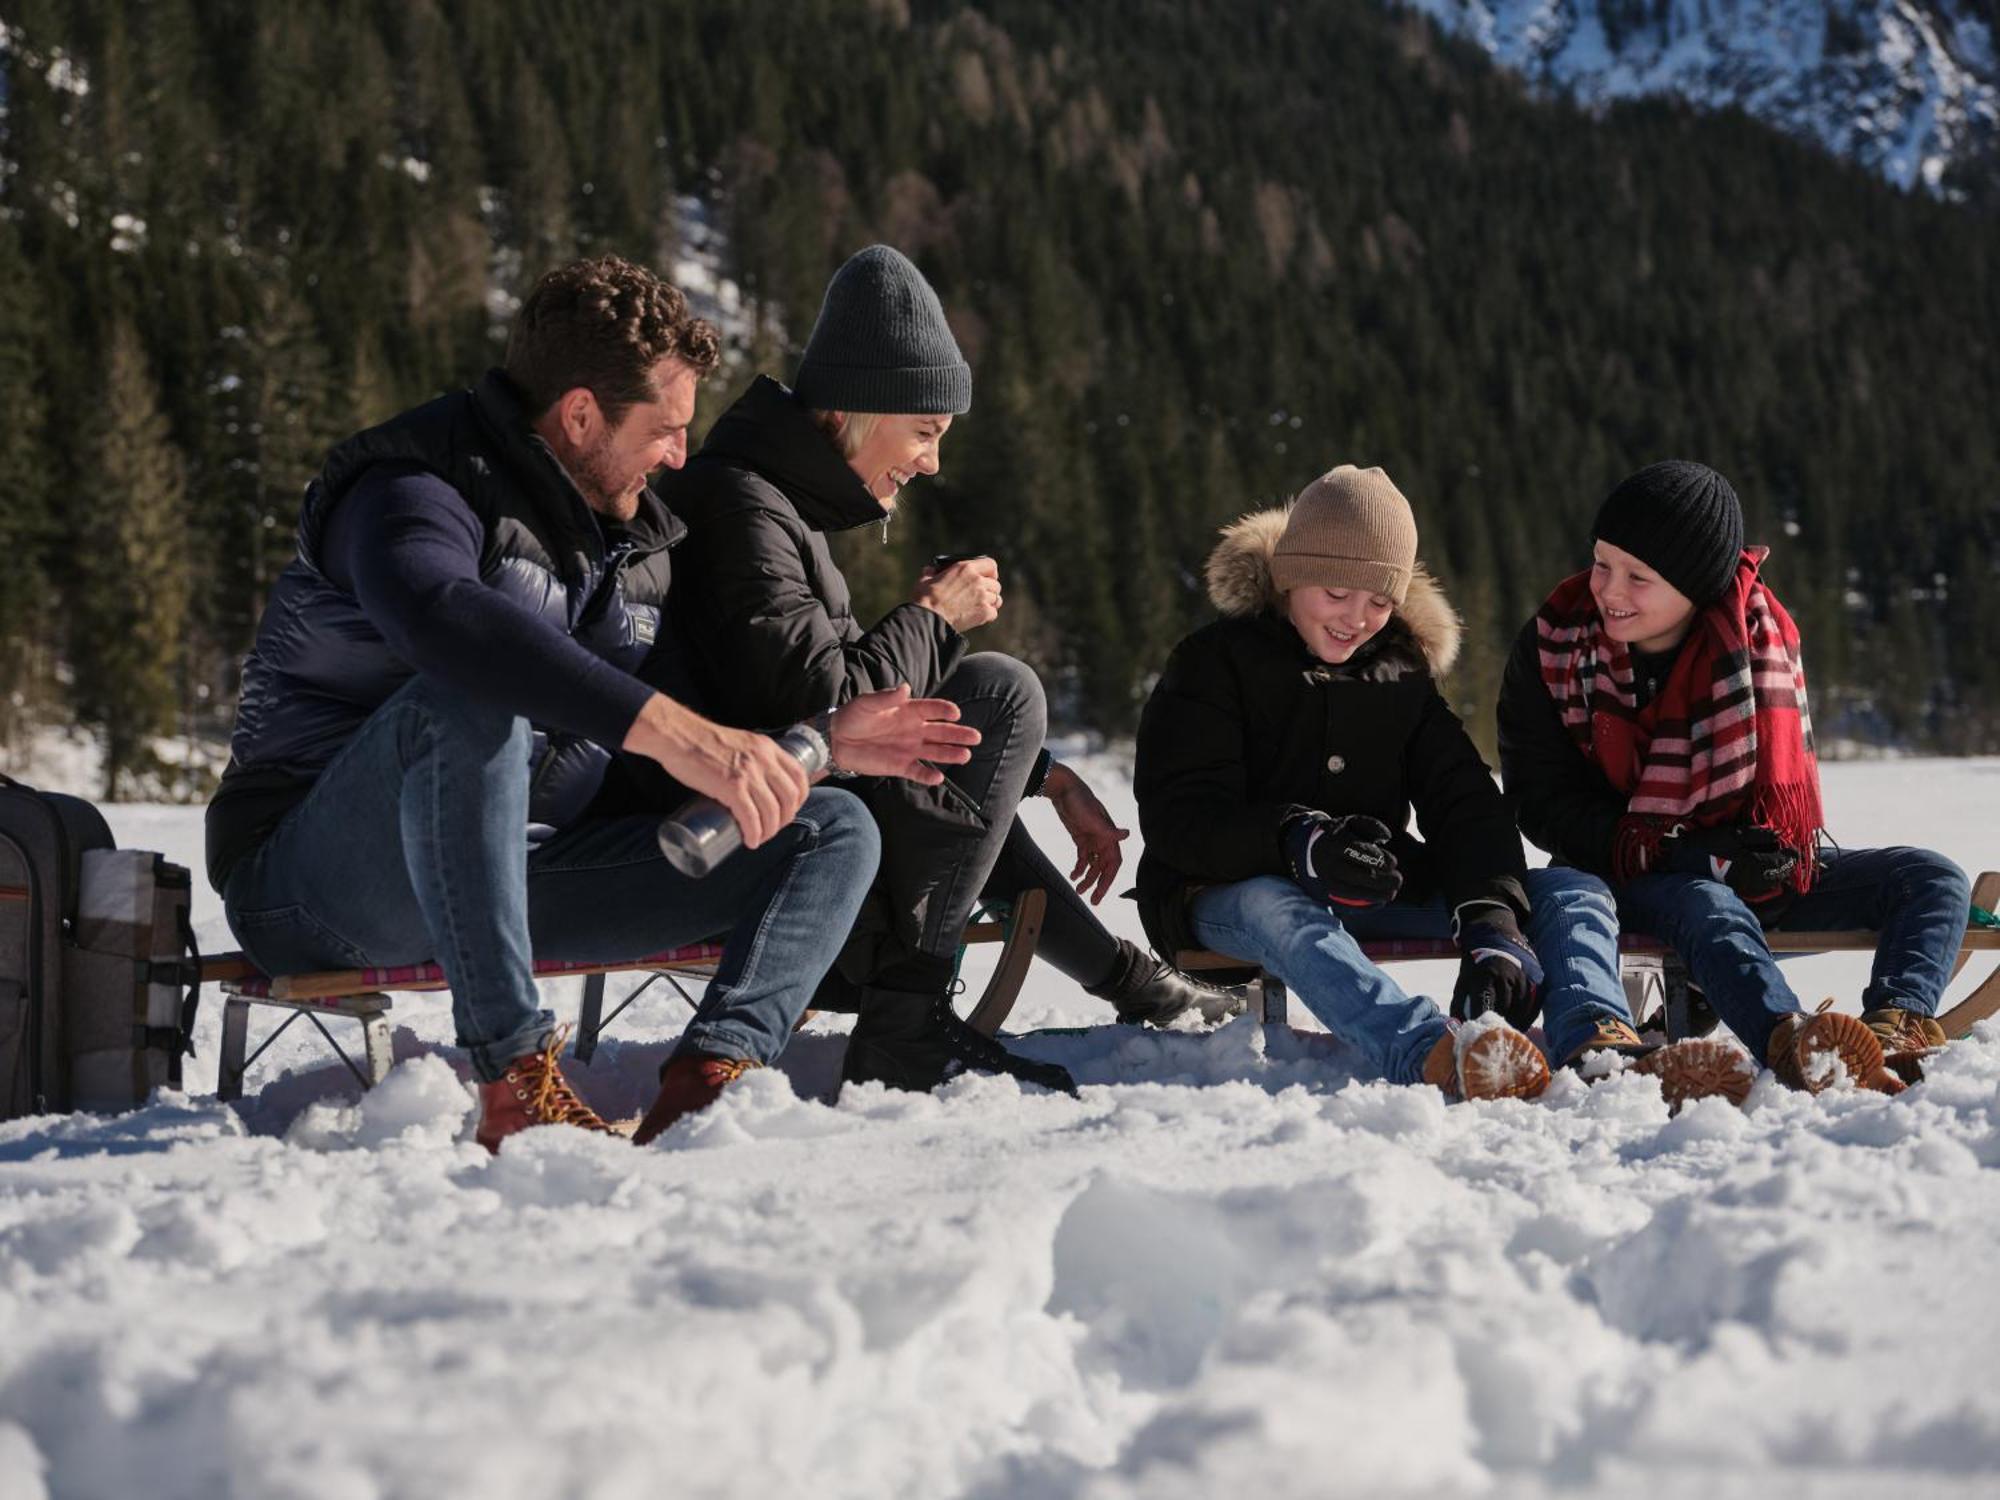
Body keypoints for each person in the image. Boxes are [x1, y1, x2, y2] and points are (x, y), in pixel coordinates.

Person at [206, 256, 978, 1150]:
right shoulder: (409, 489)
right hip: (317, 883)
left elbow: (678, 725)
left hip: (526, 871)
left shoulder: (635, 543)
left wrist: (817, 740)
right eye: (666, 429)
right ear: (580, 414)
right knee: (468, 704)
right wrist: (675, 735)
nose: (682, 455)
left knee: (831, 827)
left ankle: (714, 1078)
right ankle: (518, 1080)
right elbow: (443, 620)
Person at [665, 244, 1236, 1096]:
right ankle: (914, 1020)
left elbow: (849, 697)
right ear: (862, 409)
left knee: (968, 761)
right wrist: (933, 617)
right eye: (925, 432)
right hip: (758, 835)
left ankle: (1122, 982)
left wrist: (1039, 775)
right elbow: (827, 707)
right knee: (1001, 688)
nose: (931, 462)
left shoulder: (776, 508)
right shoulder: (744, 508)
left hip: (800, 807)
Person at [1134, 467, 1747, 1105]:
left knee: (1569, 887)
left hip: (1368, 889)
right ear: (1291, 574)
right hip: (1218, 897)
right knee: (1272, 902)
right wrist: (1298, 840)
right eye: (1337, 592)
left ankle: (1598, 1038)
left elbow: (1466, 803)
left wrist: (1492, 921)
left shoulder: (1399, 675)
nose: (1357, 619)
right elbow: (1181, 817)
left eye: (1380, 602)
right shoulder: (1214, 662)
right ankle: (1430, 1050)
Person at [1497, 459, 1971, 1094]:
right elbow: (1538, 799)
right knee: (1708, 903)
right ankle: (1789, 1039)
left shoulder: (1754, 643)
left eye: (1638, 577)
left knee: (1930, 876)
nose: (1608, 589)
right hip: (1622, 870)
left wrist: (1766, 851)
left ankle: (1895, 1027)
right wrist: (1670, 848)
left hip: (1740, 874)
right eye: (1603, 562)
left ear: (1694, 588)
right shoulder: (1555, 645)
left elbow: (1776, 794)